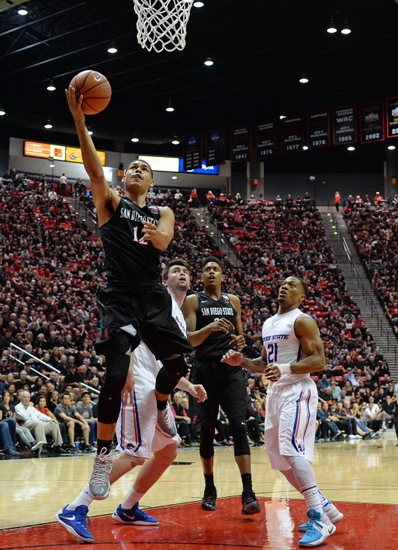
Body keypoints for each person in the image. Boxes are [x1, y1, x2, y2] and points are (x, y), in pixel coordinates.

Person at [65, 86, 193, 499]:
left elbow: (164, 243)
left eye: (143, 168)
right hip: (119, 295)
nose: (136, 170)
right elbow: (93, 170)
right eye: (132, 167)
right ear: (124, 177)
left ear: (152, 181)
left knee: (176, 367)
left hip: (152, 294)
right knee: (115, 375)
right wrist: (81, 122)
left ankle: (161, 403)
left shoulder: (162, 212)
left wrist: (157, 236)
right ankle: (103, 458)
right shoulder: (111, 202)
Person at [56, 259, 207, 542]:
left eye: (186, 271)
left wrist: (187, 386)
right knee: (135, 453)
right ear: (163, 281)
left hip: (155, 388)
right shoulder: (155, 298)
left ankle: (127, 508)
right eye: (176, 270)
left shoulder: (177, 315)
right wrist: (125, 366)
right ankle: (75, 507)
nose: (182, 273)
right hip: (138, 384)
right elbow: (129, 327)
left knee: (168, 450)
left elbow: (165, 362)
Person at [221, 276, 343, 547]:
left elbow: (319, 360)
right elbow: (265, 363)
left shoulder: (302, 320)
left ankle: (318, 517)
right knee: (279, 458)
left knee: (291, 450)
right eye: (283, 283)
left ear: (301, 297)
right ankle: (327, 509)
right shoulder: (269, 323)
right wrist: (242, 361)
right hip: (276, 393)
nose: (284, 286)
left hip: (298, 390)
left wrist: (286, 369)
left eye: (292, 285)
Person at [183, 256, 260, 515]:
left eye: (216, 269)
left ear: (223, 275)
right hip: (204, 370)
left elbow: (240, 338)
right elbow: (189, 340)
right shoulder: (194, 301)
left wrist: (239, 342)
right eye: (207, 270)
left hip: (231, 370)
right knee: (206, 430)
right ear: (201, 277)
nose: (211, 273)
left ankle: (248, 492)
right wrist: (212, 328)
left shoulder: (233, 301)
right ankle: (209, 488)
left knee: (239, 426)